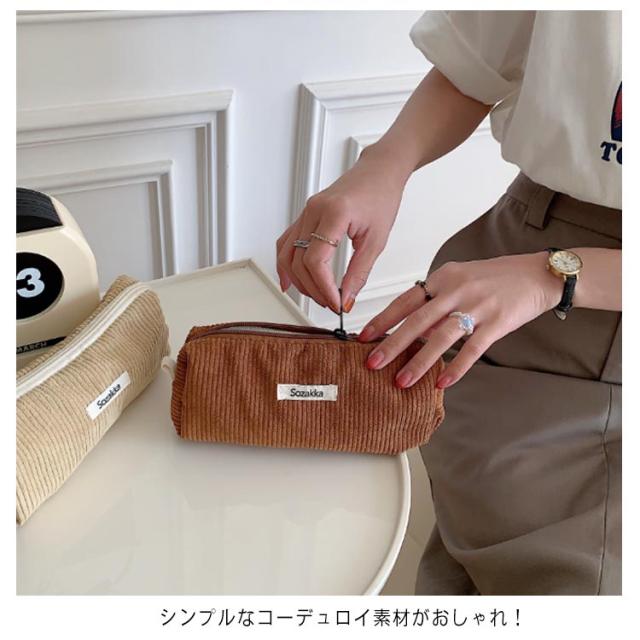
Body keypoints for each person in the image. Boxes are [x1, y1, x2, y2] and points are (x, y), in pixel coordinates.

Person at [275, 10, 621, 595]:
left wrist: (553, 276)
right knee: (474, 538)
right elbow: (478, 63)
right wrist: (382, 166)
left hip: (571, 289)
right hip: (523, 247)